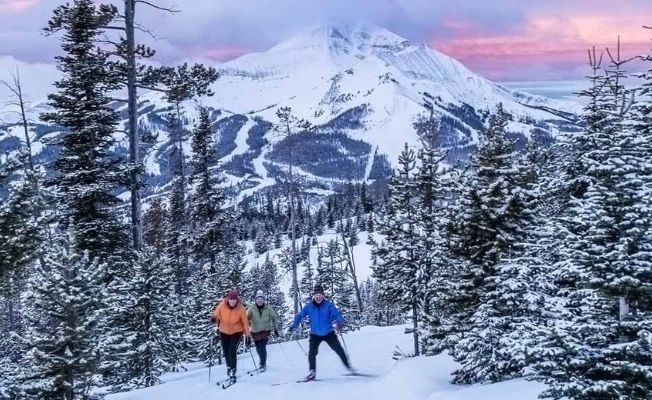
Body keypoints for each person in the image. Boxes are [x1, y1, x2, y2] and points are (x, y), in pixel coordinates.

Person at [288, 284, 353, 381]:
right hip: (315, 334)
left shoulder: (328, 305)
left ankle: (349, 367)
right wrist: (294, 325)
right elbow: (300, 316)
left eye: (320, 294)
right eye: (316, 295)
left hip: (329, 333)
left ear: (323, 295)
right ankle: (312, 373)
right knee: (312, 354)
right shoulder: (309, 306)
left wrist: (339, 322)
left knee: (339, 349)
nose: (318, 296)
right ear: (314, 295)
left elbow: (337, 314)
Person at [211, 289, 250, 383]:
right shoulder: (222, 305)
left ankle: (233, 370)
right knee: (226, 351)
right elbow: (216, 313)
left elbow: (245, 322)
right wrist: (213, 318)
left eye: (234, 299)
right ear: (228, 299)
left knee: (232, 350)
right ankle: (229, 367)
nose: (232, 301)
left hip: (237, 331)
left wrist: (247, 336)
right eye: (231, 299)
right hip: (223, 331)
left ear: (237, 300)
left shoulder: (241, 309)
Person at [246, 290, 279, 372]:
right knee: (258, 348)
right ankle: (261, 362)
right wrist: (246, 331)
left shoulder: (268, 308)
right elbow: (245, 318)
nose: (260, 300)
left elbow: (274, 318)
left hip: (265, 330)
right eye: (258, 299)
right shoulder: (251, 309)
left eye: (261, 299)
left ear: (264, 300)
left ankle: (263, 364)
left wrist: (276, 329)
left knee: (262, 347)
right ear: (255, 300)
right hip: (255, 331)